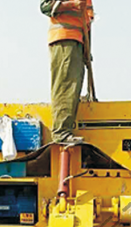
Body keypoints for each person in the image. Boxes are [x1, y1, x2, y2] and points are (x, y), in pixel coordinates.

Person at [40, 0, 94, 144]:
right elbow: (45, 6)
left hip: (77, 41)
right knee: (65, 84)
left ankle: (65, 130)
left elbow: (87, 22)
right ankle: (61, 132)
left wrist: (87, 50)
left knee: (73, 86)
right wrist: (71, 4)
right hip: (64, 37)